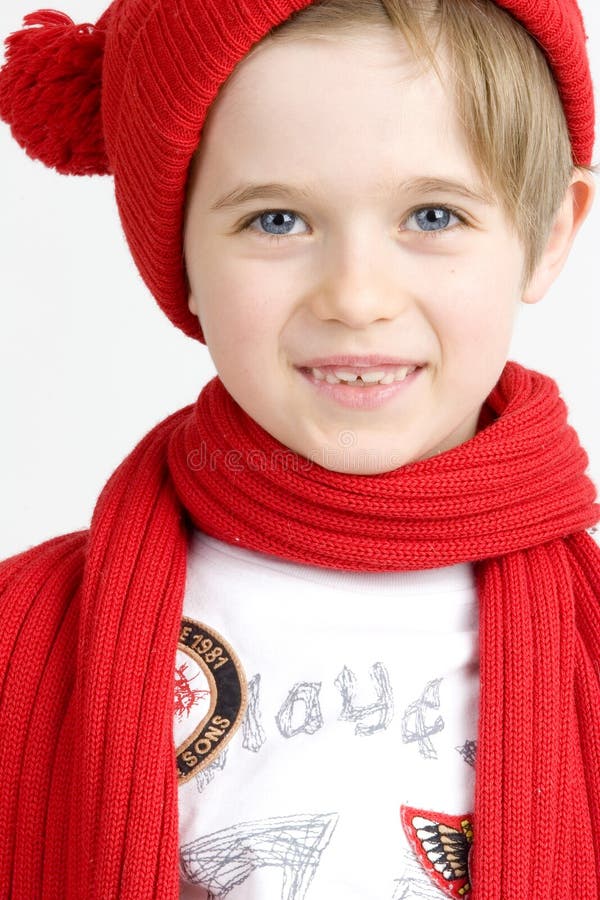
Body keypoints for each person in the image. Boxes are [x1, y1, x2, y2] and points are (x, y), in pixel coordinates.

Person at [0, 0, 599, 897]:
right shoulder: (21, 642)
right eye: (277, 221)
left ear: (548, 234)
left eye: (434, 215)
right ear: (179, 254)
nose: (356, 298)